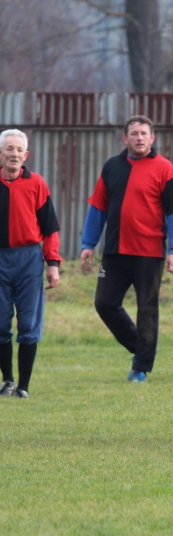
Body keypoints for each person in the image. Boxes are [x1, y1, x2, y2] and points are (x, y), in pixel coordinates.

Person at [80, 115, 173, 383]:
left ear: (152, 138)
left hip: (149, 253)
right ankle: (141, 349)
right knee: (104, 303)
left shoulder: (165, 168)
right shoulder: (112, 167)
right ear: (125, 138)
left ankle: (140, 367)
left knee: (146, 308)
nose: (139, 138)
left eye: (144, 133)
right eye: (134, 133)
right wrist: (87, 244)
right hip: (114, 251)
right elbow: (97, 207)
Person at [0, 129, 61, 399]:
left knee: (29, 323)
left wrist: (53, 263)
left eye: (18, 149)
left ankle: (23, 386)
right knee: (0, 323)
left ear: (26, 155)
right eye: (8, 148)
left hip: (29, 260)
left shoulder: (37, 183)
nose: (14, 153)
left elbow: (50, 228)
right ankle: (8, 380)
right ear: (1, 154)